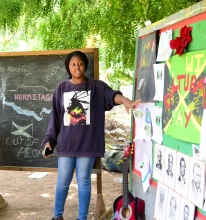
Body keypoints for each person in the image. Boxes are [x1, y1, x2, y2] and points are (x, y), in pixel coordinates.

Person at [43, 51, 141, 220]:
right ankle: (57, 216)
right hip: (66, 145)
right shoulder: (61, 88)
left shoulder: (96, 87)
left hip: (87, 145)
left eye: (80, 64)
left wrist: (125, 101)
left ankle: (82, 218)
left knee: (84, 182)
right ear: (68, 66)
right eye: (73, 64)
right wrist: (49, 140)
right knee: (63, 182)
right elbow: (55, 118)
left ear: (85, 66)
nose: (77, 67)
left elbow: (112, 95)